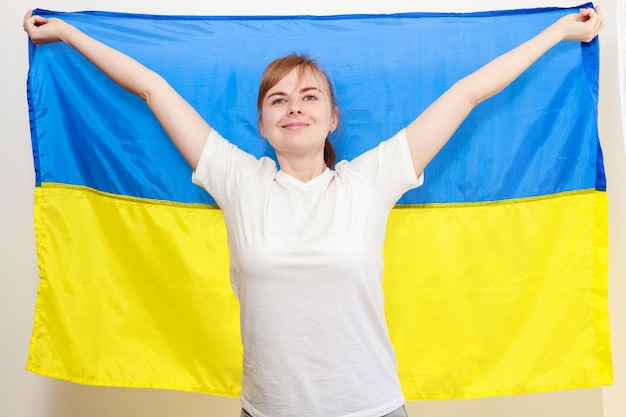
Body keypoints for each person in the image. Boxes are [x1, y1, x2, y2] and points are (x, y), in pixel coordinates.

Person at [23, 6, 604, 417]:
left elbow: (467, 93)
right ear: (262, 124)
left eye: (309, 97)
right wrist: (70, 35)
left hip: (372, 410)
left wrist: (556, 33)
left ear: (332, 120)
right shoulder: (236, 178)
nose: (293, 107)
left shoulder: (370, 180)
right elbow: (152, 88)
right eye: (277, 98)